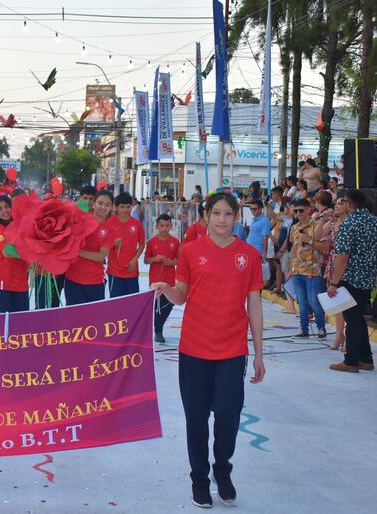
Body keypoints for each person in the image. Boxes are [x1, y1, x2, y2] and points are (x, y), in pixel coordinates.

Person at [150, 192, 265, 508]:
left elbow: (254, 305)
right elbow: (182, 295)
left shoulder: (249, 256)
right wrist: (165, 288)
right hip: (194, 349)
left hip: (231, 350)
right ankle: (199, 480)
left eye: (228, 214)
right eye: (216, 213)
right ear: (206, 216)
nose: (222, 220)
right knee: (196, 418)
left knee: (228, 415)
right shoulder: (190, 252)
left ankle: (223, 470)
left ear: (236, 217)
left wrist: (258, 353)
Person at [328, 189, 377, 373]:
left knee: (353, 320)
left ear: (349, 204)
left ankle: (351, 361)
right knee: (359, 319)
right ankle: (366, 358)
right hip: (368, 278)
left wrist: (334, 283)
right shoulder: (373, 221)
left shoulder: (350, 223)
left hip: (351, 278)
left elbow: (342, 257)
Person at [64, 190, 115, 306]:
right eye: (100, 203)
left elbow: (100, 256)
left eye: (107, 205)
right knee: (74, 320)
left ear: (112, 207)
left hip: (95, 281)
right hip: (73, 279)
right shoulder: (80, 220)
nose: (103, 207)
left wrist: (77, 251)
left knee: (93, 321)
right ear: (94, 203)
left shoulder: (111, 229)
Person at [289, 199, 327, 340]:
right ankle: (303, 329)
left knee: (313, 301)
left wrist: (309, 240)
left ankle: (321, 327)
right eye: (295, 211)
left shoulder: (317, 225)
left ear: (308, 209)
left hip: (312, 270)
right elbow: (294, 248)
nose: (298, 213)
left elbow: (324, 247)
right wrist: (291, 268)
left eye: (301, 210)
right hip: (298, 269)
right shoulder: (294, 227)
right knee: (302, 302)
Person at [0, 196, 29, 312]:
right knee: (4, 323)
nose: (4, 211)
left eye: (6, 207)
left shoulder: (21, 226)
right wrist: (28, 254)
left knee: (21, 323)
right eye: (0, 209)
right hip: (3, 282)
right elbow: (6, 253)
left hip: (20, 282)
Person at [145, 213, 180, 343]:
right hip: (155, 280)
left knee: (169, 304)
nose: (164, 228)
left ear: (171, 226)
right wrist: (156, 259)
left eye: (167, 225)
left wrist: (171, 262)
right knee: (157, 306)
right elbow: (146, 260)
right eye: (162, 226)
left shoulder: (175, 242)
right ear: (157, 226)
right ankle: (158, 331)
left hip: (170, 280)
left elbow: (179, 260)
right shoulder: (152, 242)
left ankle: (158, 326)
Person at [323, 196, 349, 351]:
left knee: (346, 303)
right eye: (336, 203)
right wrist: (322, 219)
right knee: (337, 303)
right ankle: (340, 334)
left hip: (344, 263)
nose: (337, 206)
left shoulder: (350, 223)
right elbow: (318, 235)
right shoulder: (333, 222)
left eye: (340, 203)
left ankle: (345, 335)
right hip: (332, 262)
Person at [107, 193, 145, 297]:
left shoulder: (137, 224)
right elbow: (103, 247)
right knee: (116, 304)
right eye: (122, 207)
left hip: (131, 270)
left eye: (128, 207)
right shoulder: (110, 223)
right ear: (116, 207)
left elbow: (141, 244)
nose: (125, 210)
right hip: (114, 271)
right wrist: (113, 243)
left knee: (131, 304)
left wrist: (135, 259)